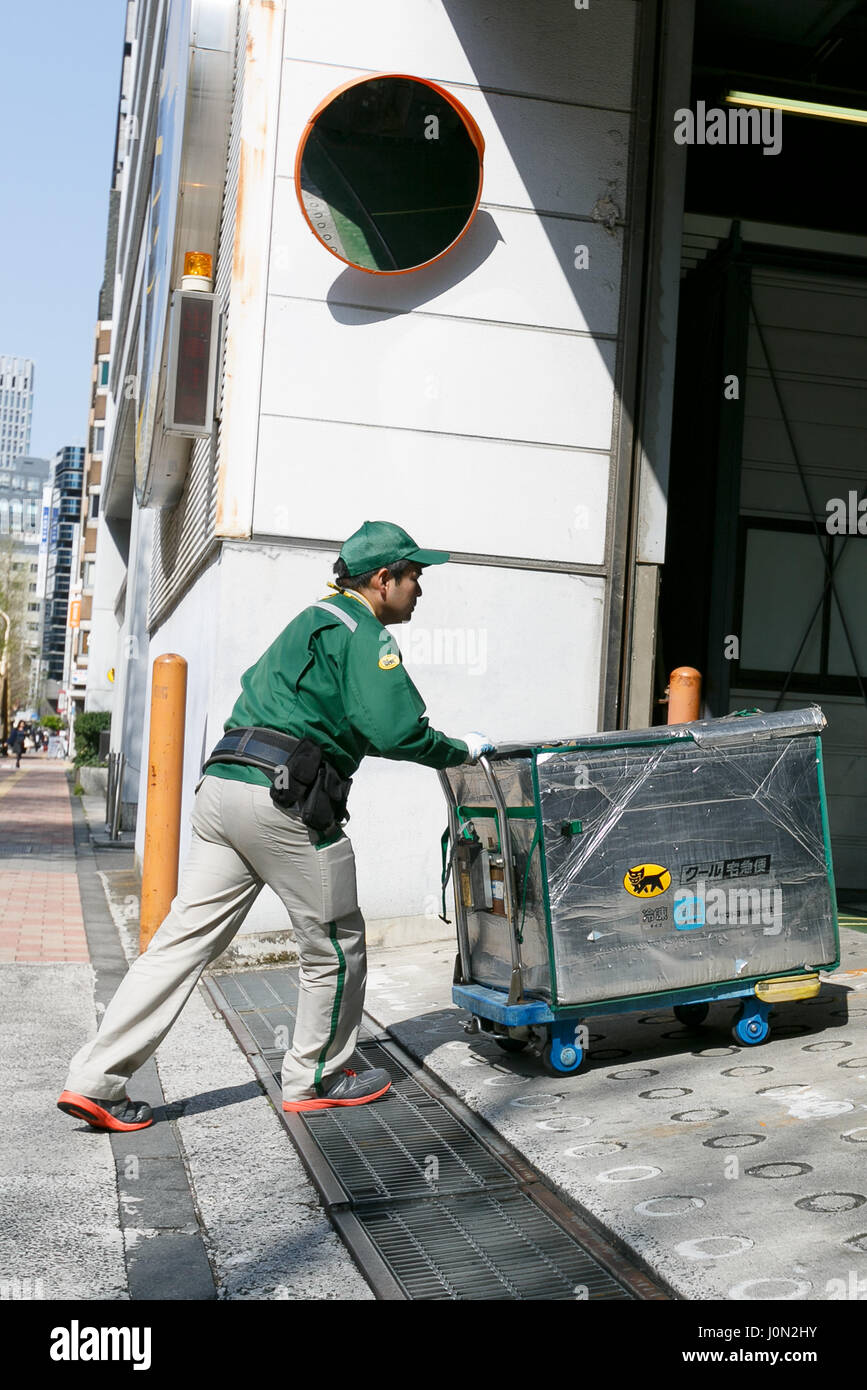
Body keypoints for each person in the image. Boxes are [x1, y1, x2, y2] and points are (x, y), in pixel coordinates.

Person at [57, 521, 495, 1132]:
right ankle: (318, 1075)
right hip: (284, 802)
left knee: (181, 943)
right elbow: (396, 731)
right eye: (414, 576)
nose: (420, 589)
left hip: (222, 788)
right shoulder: (364, 634)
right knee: (336, 944)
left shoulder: (308, 620)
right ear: (382, 580)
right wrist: (458, 749)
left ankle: (95, 1081)